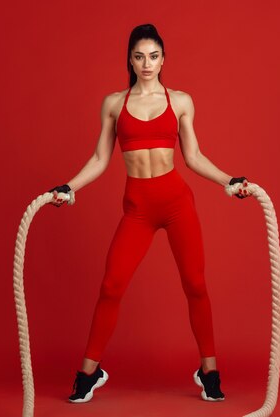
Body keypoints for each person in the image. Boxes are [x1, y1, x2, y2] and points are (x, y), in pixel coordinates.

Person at [48, 23, 249, 403]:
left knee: (195, 284)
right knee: (111, 286)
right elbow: (99, 158)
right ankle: (89, 373)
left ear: (163, 59)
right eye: (139, 56)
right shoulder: (113, 103)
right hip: (138, 207)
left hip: (175, 202)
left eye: (153, 56)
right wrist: (69, 187)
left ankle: (209, 372)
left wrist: (228, 181)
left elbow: (193, 157)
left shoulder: (180, 101)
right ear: (130, 59)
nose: (147, 63)